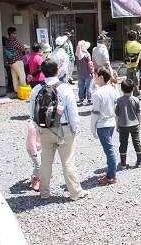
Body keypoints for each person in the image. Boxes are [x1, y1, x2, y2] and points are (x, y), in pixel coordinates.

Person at [29, 58, 89, 200]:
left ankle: (44, 192)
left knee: (45, 162)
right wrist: (74, 128)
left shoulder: (37, 89)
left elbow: (32, 112)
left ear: (42, 72)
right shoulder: (64, 88)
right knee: (67, 161)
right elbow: (73, 111)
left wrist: (39, 128)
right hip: (63, 129)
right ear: (57, 70)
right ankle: (75, 192)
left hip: (45, 130)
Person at [91, 66, 118, 184]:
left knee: (109, 150)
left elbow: (95, 113)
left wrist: (92, 128)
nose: (94, 78)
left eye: (95, 75)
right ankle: (111, 171)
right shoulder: (113, 89)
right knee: (109, 148)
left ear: (101, 77)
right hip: (111, 122)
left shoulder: (97, 94)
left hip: (102, 124)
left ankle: (112, 175)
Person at [115, 79, 141, 169]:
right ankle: (139, 162)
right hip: (134, 124)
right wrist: (140, 123)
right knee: (136, 142)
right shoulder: (136, 100)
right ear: (133, 89)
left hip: (123, 124)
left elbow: (117, 115)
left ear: (121, 89)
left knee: (123, 143)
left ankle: (123, 163)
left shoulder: (119, 101)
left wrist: (117, 124)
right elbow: (138, 113)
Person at [5, 27, 26, 93]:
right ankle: (24, 89)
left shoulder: (7, 40)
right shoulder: (13, 40)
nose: (15, 34)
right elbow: (22, 47)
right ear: (12, 33)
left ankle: (16, 90)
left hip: (11, 61)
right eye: (15, 33)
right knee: (22, 75)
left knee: (14, 76)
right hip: (17, 60)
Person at [125, 30, 141, 98]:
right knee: (135, 81)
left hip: (128, 64)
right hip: (136, 64)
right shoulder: (138, 45)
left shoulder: (126, 44)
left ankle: (128, 93)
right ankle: (136, 94)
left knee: (129, 81)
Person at [75, 40, 94, 106]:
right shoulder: (86, 54)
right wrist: (92, 72)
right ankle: (89, 99)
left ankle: (81, 98)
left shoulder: (77, 54)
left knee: (81, 86)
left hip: (80, 73)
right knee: (89, 86)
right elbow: (90, 64)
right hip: (87, 73)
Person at [26, 120, 41, 191]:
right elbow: (32, 140)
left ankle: (43, 174)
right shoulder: (32, 125)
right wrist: (34, 151)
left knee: (44, 162)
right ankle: (35, 179)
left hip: (41, 146)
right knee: (38, 165)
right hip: (33, 149)